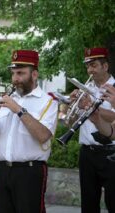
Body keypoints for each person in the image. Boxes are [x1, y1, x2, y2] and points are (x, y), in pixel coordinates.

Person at [0, 50, 58, 213]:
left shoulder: (48, 102)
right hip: (2, 171)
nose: (15, 79)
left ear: (34, 74)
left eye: (21, 73)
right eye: (14, 73)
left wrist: (18, 109)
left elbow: (43, 135)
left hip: (29, 172)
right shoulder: (7, 100)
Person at [70, 47, 115, 213]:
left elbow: (112, 117)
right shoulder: (85, 88)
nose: (90, 70)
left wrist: (92, 108)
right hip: (87, 153)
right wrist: (73, 107)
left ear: (105, 66)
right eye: (88, 66)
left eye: (94, 65)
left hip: (111, 153)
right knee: (88, 204)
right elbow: (71, 123)